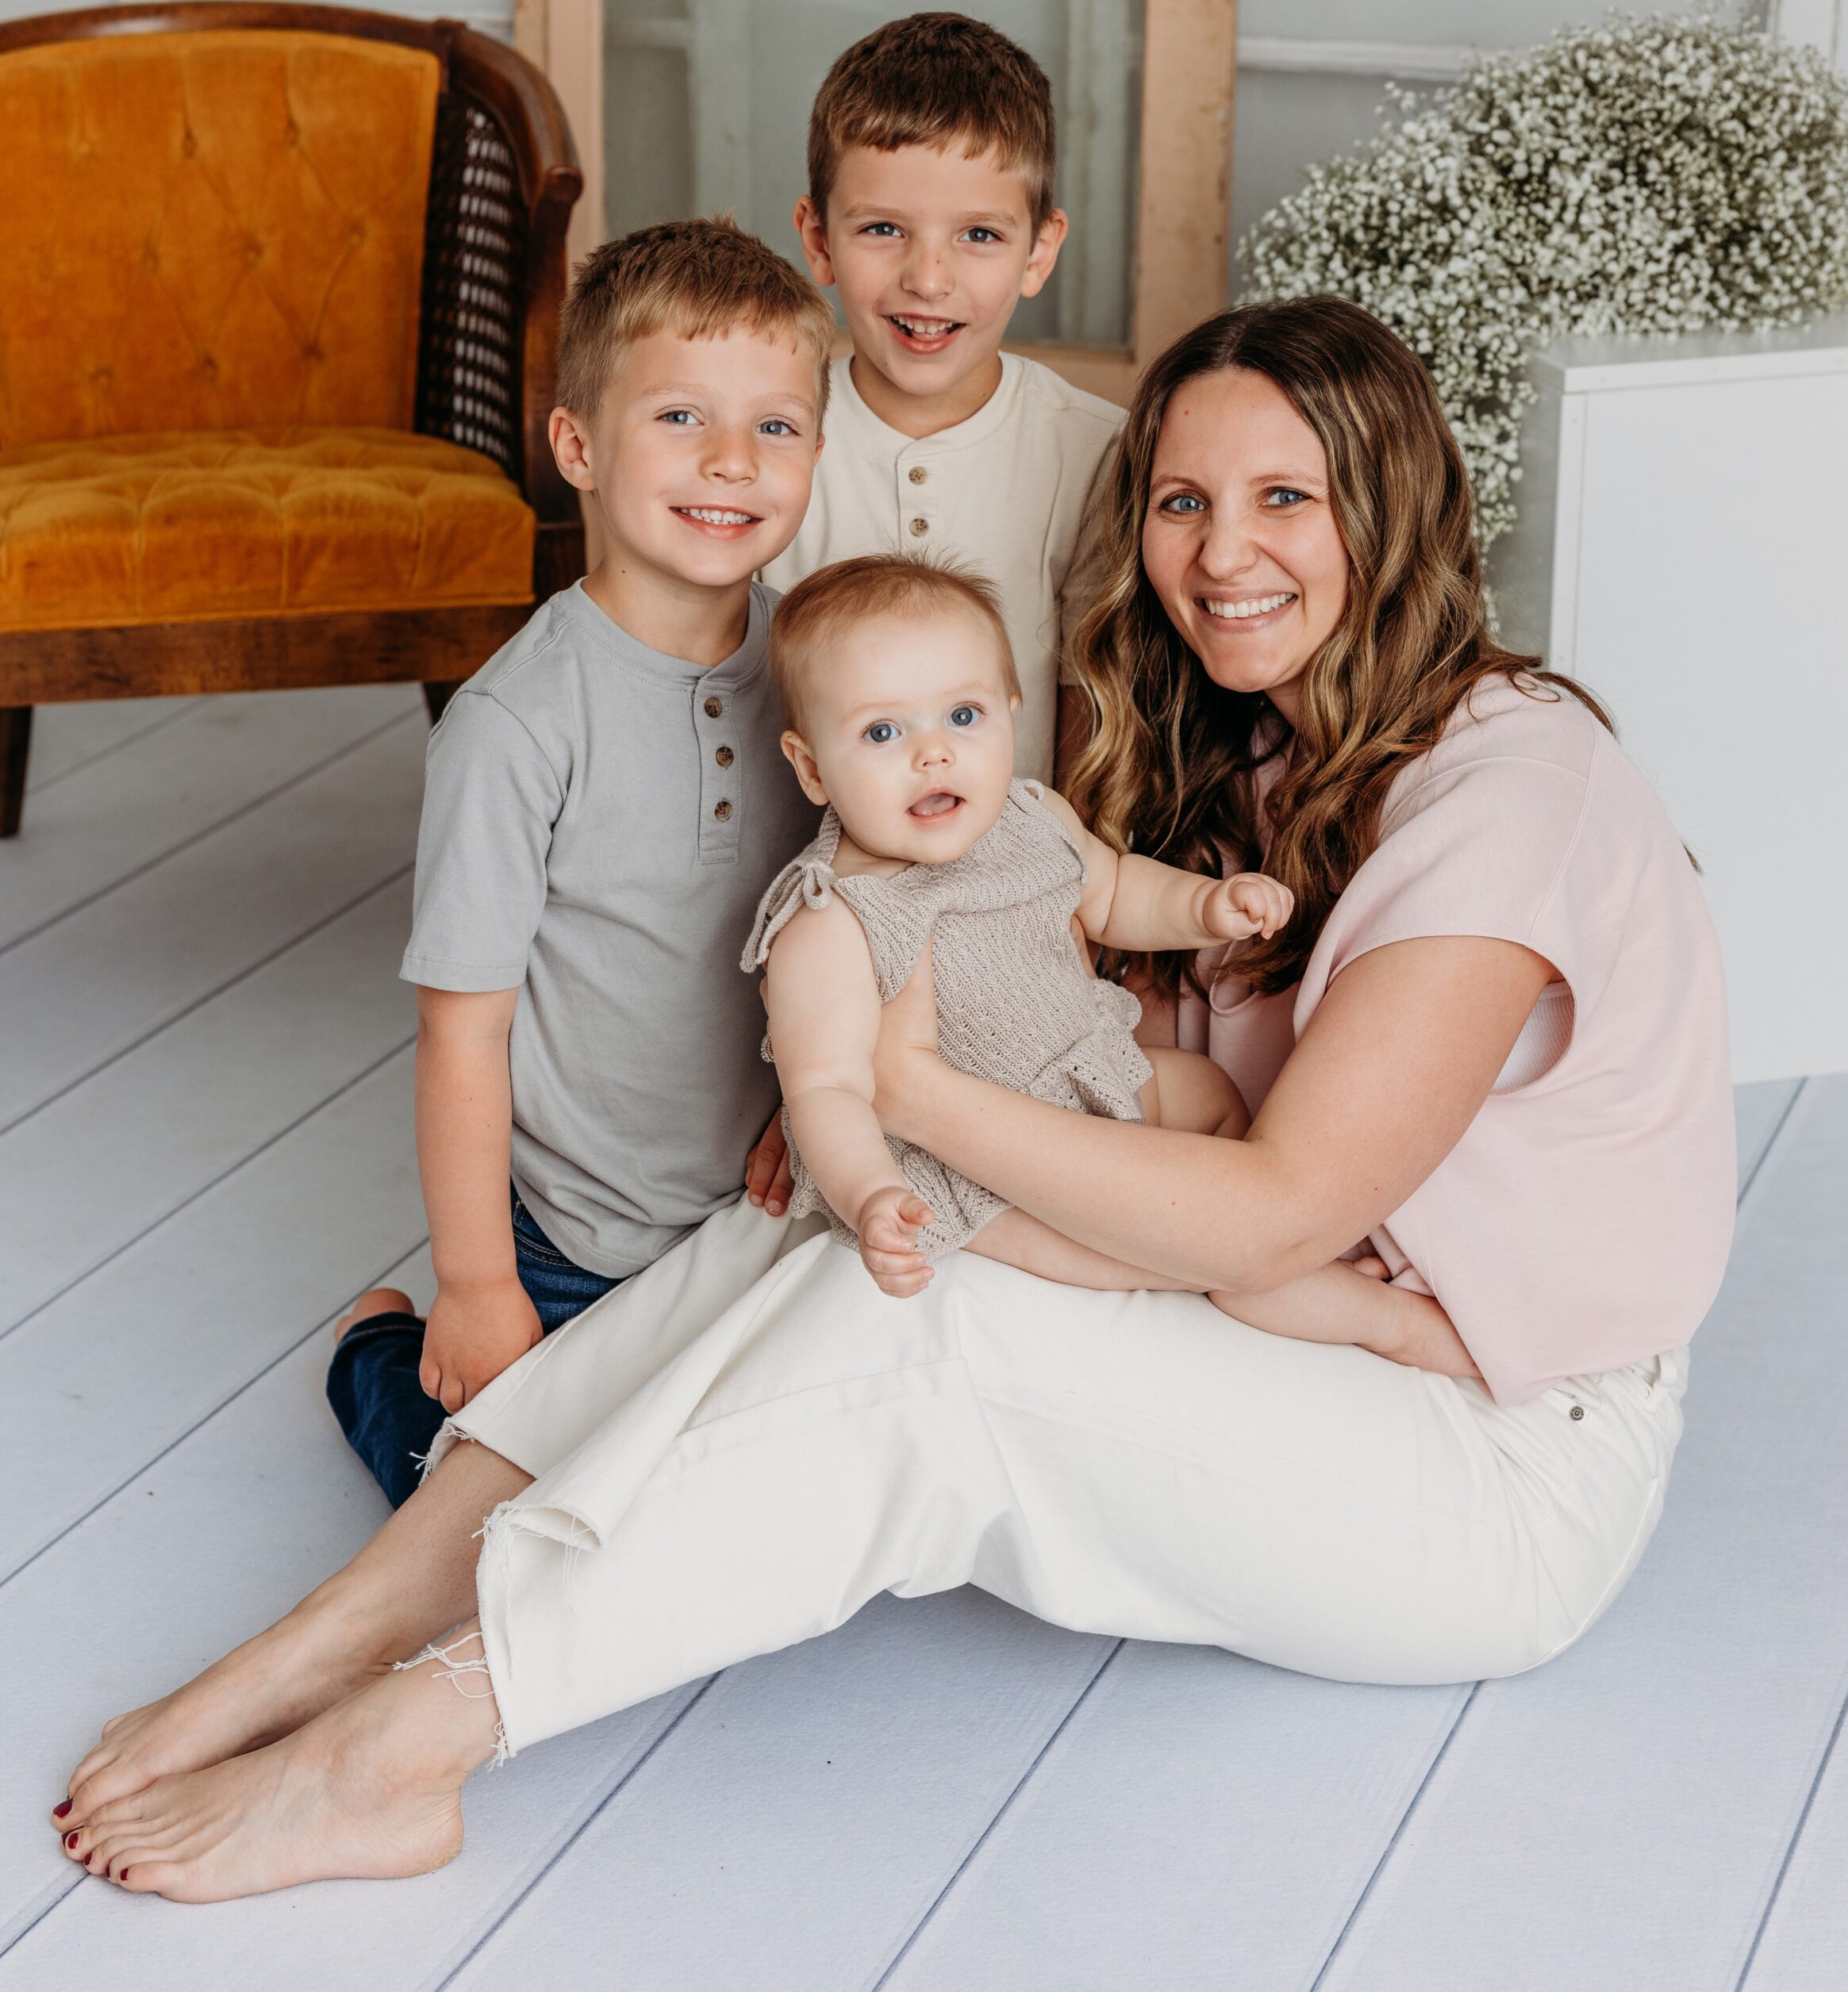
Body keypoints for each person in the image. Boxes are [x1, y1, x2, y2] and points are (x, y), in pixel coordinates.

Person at [52, 297, 1734, 1904]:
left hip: (1498, 1458)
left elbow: (1273, 1202)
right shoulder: (1261, 747)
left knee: (934, 1326)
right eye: (1183, 500)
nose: (1224, 554)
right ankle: (337, 1633)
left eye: (1286, 497)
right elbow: (1121, 1081)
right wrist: (867, 1117)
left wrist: (907, 1089)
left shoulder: (1508, 794)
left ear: (1402, 505)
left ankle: (404, 1746)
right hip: (1319, 1324)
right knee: (797, 1217)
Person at [325, 217, 832, 1505]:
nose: (732, 460)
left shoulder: (819, 669)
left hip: (770, 1212)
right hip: (577, 1242)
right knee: (517, 1531)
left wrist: (812, 1100)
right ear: (576, 447)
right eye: (679, 417)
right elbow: (462, 1035)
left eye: (775, 426)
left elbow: (865, 910)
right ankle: (377, 1350)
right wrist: (478, 1285)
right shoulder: (515, 725)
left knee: (774, 1497)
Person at [749, 551, 1475, 1374]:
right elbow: (829, 1090)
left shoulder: (1031, 816)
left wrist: (1206, 907)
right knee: (1183, 1262)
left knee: (1209, 1096)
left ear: (1011, 713)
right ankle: (1382, 1321)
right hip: (977, 1169)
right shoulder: (831, 918)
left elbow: (1113, 890)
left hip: (1091, 1075)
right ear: (810, 766)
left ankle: (1283, 1236)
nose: (933, 754)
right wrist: (871, 1194)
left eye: (963, 716)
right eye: (883, 731)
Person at [761, 12, 1124, 788]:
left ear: (1040, 250)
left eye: (979, 236)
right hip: (804, 883)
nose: (928, 279)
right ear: (818, 239)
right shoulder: (762, 441)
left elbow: (1091, 723)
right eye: (884, 228)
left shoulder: (1096, 454)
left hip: (1014, 882)